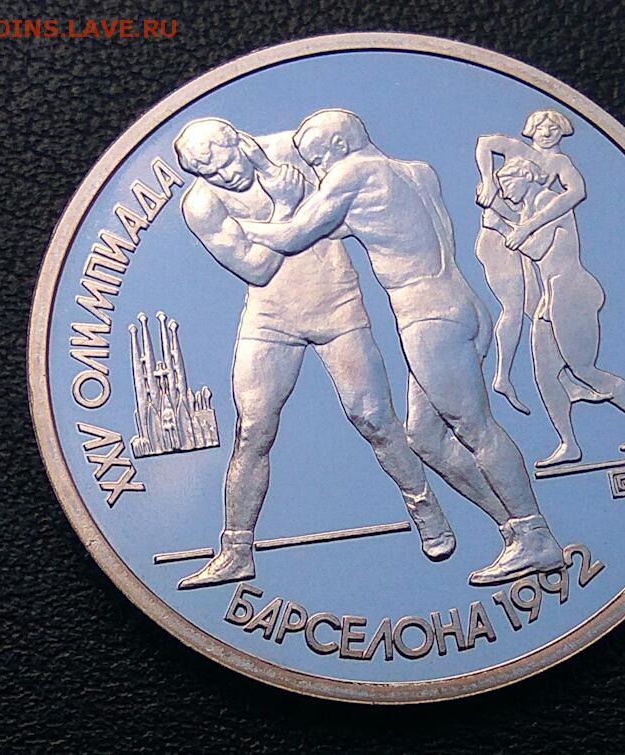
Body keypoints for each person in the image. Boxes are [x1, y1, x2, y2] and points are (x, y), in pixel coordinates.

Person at [236, 109, 564, 586]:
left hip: (427, 319)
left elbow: (293, 235)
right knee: (425, 437)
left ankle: (535, 535)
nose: (318, 171)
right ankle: (514, 529)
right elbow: (343, 226)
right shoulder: (416, 172)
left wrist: (242, 227)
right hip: (465, 306)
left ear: (339, 146)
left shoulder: (352, 173)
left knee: (477, 430)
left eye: (317, 159)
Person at [174, 118, 454, 589]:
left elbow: (369, 189)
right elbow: (257, 269)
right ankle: (236, 550)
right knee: (252, 430)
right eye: (211, 174)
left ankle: (426, 509)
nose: (225, 176)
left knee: (374, 419)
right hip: (270, 317)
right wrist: (286, 205)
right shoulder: (201, 205)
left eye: (226, 163)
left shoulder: (299, 149)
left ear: (239, 141)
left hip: (336, 306)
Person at [482, 154, 625, 467]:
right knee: (546, 376)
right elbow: (525, 232)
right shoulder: (529, 209)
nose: (504, 191)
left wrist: (502, 227)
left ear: (525, 177)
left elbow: (536, 249)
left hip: (572, 295)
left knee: (584, 371)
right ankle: (568, 445)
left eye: (506, 183)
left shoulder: (551, 203)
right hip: (550, 298)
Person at [474, 109, 601, 414]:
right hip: (500, 239)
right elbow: (484, 143)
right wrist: (488, 182)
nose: (547, 133)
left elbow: (577, 192)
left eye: (553, 128)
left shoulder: (559, 163)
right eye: (541, 127)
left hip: (522, 234)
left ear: (562, 132)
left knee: (536, 307)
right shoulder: (517, 149)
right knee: (514, 307)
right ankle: (503, 377)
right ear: (530, 130)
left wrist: (531, 223)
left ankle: (564, 379)